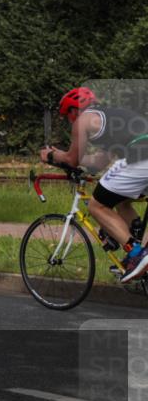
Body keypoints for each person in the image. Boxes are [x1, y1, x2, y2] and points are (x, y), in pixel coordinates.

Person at [41, 87, 148, 282]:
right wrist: (69, 157)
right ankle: (138, 244)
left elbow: (72, 160)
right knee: (121, 201)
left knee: (97, 205)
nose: (70, 121)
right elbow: (98, 162)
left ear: (74, 110)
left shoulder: (83, 120)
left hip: (140, 158)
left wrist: (51, 155)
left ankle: (138, 254)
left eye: (68, 115)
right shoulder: (111, 119)